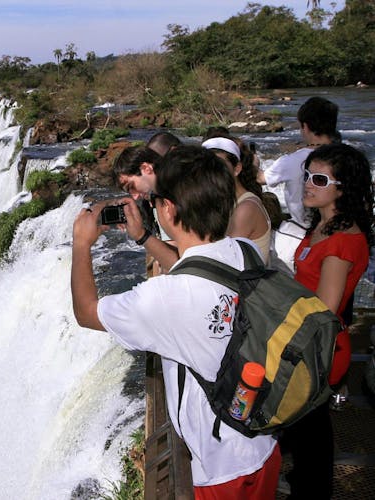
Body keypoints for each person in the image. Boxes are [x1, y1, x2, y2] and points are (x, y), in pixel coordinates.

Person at [72, 145, 281, 498]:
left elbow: (87, 313)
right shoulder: (242, 251)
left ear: (167, 209)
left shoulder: (166, 297)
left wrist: (81, 244)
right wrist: (143, 236)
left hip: (219, 468)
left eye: (155, 201)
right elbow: (195, 263)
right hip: (264, 444)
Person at [280, 143, 374, 499]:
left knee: (310, 433)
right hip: (308, 342)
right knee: (309, 432)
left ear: (342, 188)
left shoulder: (340, 242)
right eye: (307, 176)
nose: (308, 184)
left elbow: (323, 308)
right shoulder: (322, 226)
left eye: (319, 179)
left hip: (318, 348)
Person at [258, 96, 339, 274]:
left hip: (300, 236)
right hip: (339, 232)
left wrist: (252, 163)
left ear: (305, 126)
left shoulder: (294, 160)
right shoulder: (348, 156)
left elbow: (261, 178)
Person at [202, 136, 272, 263]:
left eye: (219, 165)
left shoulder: (246, 208)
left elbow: (222, 262)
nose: (212, 171)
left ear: (237, 169)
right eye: (206, 166)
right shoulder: (222, 202)